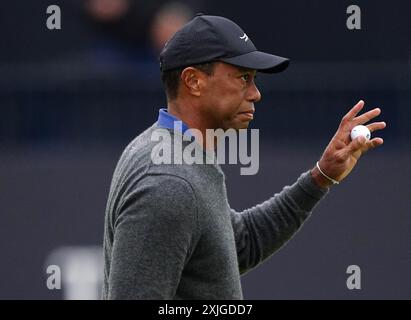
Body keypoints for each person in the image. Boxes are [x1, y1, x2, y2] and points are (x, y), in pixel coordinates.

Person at [102, 14, 386, 299]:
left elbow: (238, 246)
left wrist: (320, 176)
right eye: (243, 78)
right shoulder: (169, 182)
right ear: (194, 81)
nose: (256, 94)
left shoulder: (175, 155)